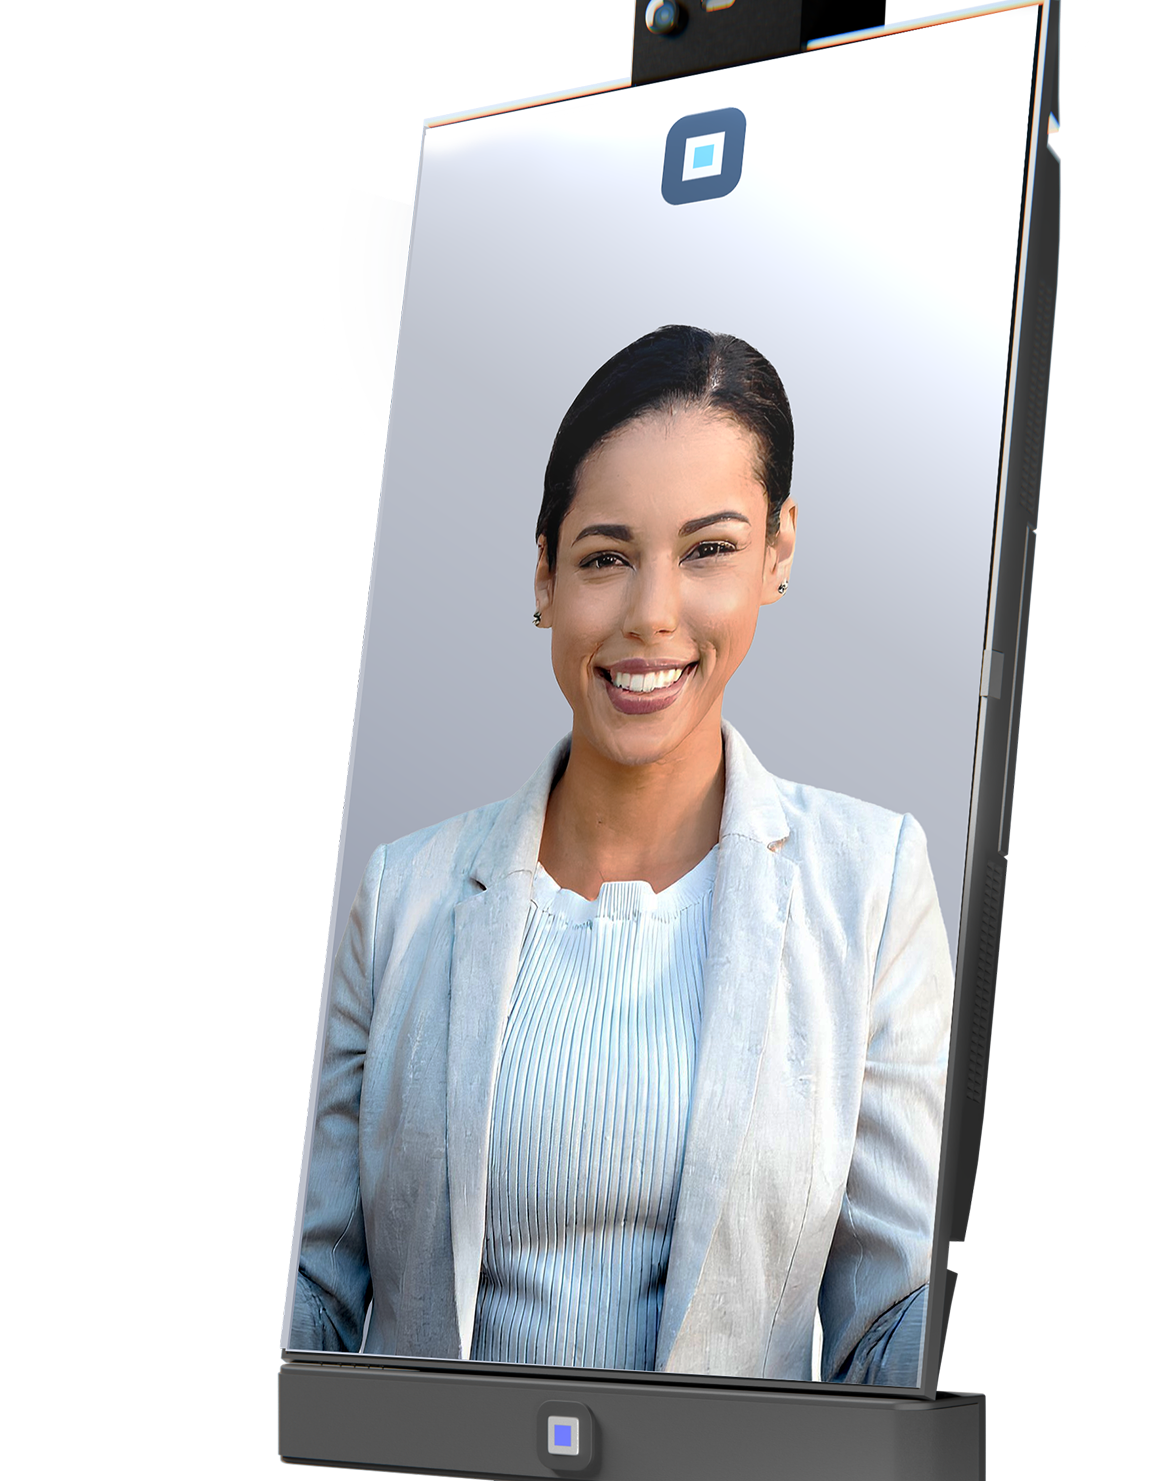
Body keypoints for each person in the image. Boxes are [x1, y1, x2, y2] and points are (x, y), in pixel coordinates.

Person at [290, 325, 953, 1384]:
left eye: (708, 550)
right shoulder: (396, 896)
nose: (650, 616)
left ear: (776, 552)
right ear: (544, 576)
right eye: (605, 557)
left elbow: (898, 1313)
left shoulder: (867, 887)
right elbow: (308, 1293)